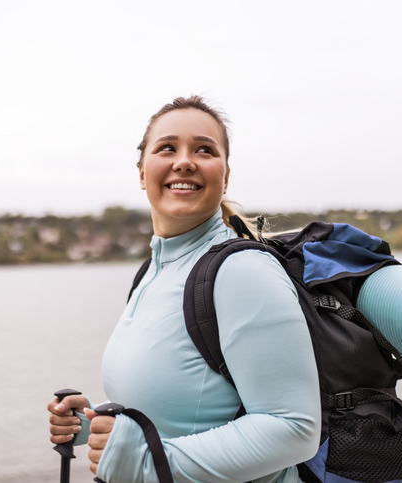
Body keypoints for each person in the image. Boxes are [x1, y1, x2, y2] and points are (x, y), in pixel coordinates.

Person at [47, 96, 321, 482]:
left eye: (204, 150)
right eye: (167, 147)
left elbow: (294, 429)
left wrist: (149, 463)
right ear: (142, 172)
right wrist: (94, 426)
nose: (184, 161)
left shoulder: (243, 271)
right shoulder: (153, 271)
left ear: (224, 176)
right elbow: (182, 408)